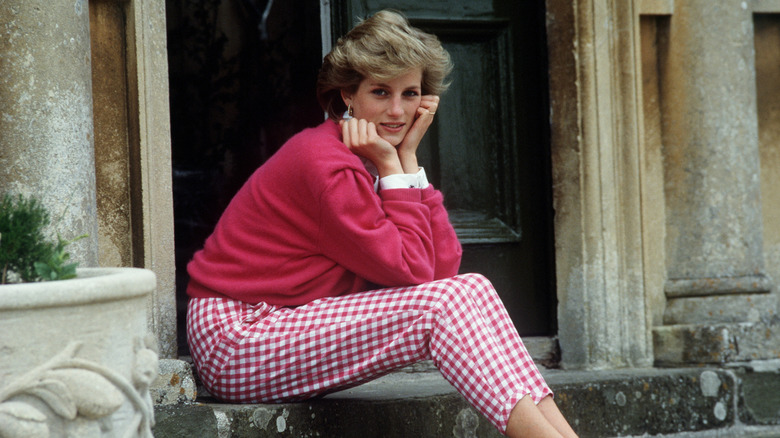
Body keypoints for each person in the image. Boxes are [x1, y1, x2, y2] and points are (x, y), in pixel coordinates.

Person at [186, 10, 578, 438]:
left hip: (284, 321)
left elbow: (441, 269)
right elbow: (412, 274)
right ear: (347, 95)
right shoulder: (326, 165)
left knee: (474, 288)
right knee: (442, 305)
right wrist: (393, 162)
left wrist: (407, 161)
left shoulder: (369, 154)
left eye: (410, 93)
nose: (397, 110)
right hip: (237, 339)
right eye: (380, 91)